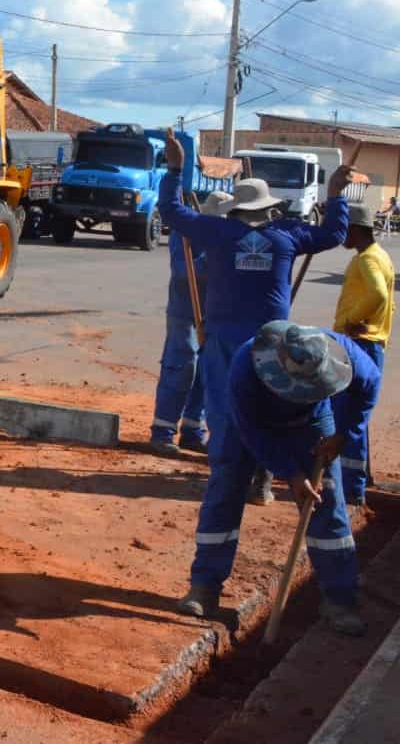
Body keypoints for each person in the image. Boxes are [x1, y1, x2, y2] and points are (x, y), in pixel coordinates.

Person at [161, 130, 352, 507]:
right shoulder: (287, 236)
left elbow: (171, 211)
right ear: (270, 208)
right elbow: (335, 233)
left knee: (224, 408)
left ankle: (228, 479)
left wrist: (174, 169)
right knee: (265, 409)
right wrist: (334, 194)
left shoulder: (217, 232)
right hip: (271, 345)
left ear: (235, 208)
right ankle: (261, 483)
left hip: (222, 340)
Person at [177, 322, 379, 637]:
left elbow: (370, 385)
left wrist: (344, 433)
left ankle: (340, 600)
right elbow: (253, 433)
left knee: (326, 501)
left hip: (312, 422)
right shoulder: (247, 367)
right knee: (226, 490)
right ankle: (205, 587)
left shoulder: (346, 353)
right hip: (249, 424)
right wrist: (292, 473)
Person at [151, 191, 227, 455]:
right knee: (182, 366)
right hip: (184, 311)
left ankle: (194, 431)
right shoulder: (184, 234)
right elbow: (184, 273)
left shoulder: (225, 235)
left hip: (213, 313)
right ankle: (163, 432)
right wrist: (212, 258)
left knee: (208, 370)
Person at [331, 202, 392, 507]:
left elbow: (379, 294)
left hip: (359, 344)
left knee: (347, 417)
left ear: (355, 230)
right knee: (357, 416)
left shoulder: (366, 261)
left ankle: (351, 490)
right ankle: (359, 479)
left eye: (345, 230)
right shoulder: (380, 256)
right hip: (372, 344)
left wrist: (349, 321)